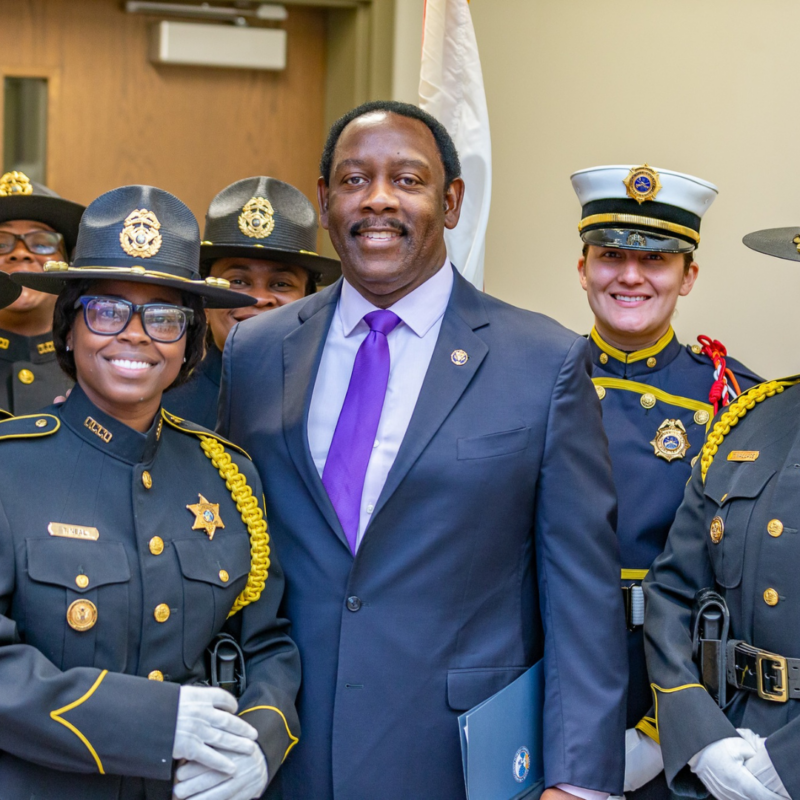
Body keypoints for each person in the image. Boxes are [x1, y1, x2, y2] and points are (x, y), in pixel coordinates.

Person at [218, 99, 627, 800]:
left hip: (456, 760)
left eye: (407, 180)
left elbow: (580, 593)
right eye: (354, 180)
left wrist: (579, 778)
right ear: (325, 201)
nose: (378, 199)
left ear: (452, 201)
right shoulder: (256, 351)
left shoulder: (544, 362)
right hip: (280, 749)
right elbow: (228, 554)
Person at [0, 184, 300, 799]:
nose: (135, 335)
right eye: (107, 311)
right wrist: (153, 722)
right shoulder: (9, 466)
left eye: (164, 317)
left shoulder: (227, 474)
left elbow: (266, 642)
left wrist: (262, 741)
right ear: (69, 329)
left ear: (189, 343)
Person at [571, 164, 761, 798]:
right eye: (611, 255)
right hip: (559, 670)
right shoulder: (534, 377)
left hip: (682, 683)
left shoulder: (736, 399)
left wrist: (664, 729)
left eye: (656, 259)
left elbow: (746, 582)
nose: (631, 275)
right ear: (582, 268)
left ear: (689, 276)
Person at [642, 222, 800, 800]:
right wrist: (699, 737)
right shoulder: (751, 419)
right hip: (727, 748)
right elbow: (672, 590)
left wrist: (788, 763)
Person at [166, 177, 340, 428]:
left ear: (309, 300)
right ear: (205, 300)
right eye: (238, 281)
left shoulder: (335, 410)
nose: (259, 298)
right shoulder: (163, 414)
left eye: (281, 284)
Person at [0, 170, 84, 413]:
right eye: (1, 243)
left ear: (68, 262)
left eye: (42, 243)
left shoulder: (98, 365)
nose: (20, 253)